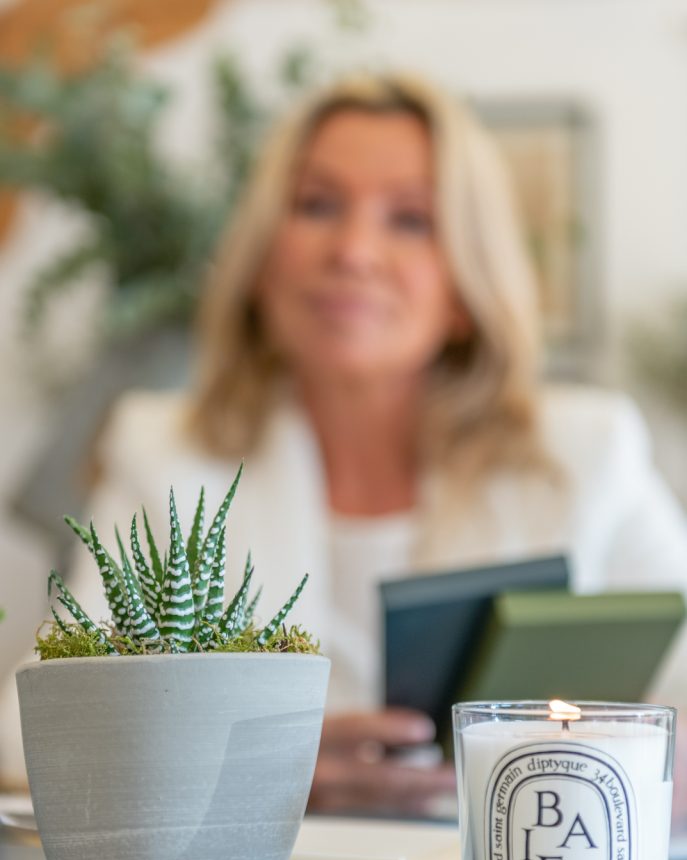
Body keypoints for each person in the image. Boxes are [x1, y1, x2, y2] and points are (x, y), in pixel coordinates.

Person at [3, 71, 687, 816]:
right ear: (263, 258)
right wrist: (263, 769)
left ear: (464, 286)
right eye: (316, 205)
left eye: (410, 219)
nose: (354, 251)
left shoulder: (585, 454)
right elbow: (32, 727)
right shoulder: (163, 455)